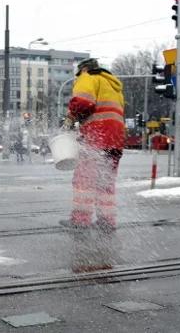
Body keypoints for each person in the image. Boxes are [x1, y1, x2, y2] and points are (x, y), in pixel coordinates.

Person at [60, 58, 125, 232]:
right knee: (106, 182)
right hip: (116, 140)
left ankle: (80, 221)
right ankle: (107, 221)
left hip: (97, 137)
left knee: (84, 180)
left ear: (83, 69)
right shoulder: (112, 85)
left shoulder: (87, 77)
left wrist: (71, 118)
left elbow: (83, 102)